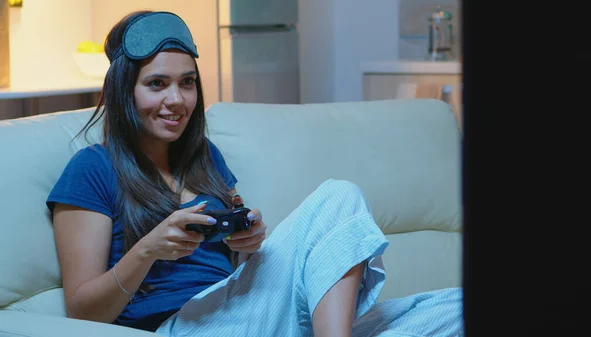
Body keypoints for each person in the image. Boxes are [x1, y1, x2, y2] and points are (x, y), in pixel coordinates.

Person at [47, 10, 464, 337]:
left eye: (187, 83)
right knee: (339, 195)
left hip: (249, 315)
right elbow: (83, 311)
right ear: (124, 90)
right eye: (157, 84)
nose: (177, 100)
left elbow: (236, 263)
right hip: (183, 326)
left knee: (456, 307)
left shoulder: (203, 157)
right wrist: (146, 250)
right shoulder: (91, 169)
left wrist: (248, 243)